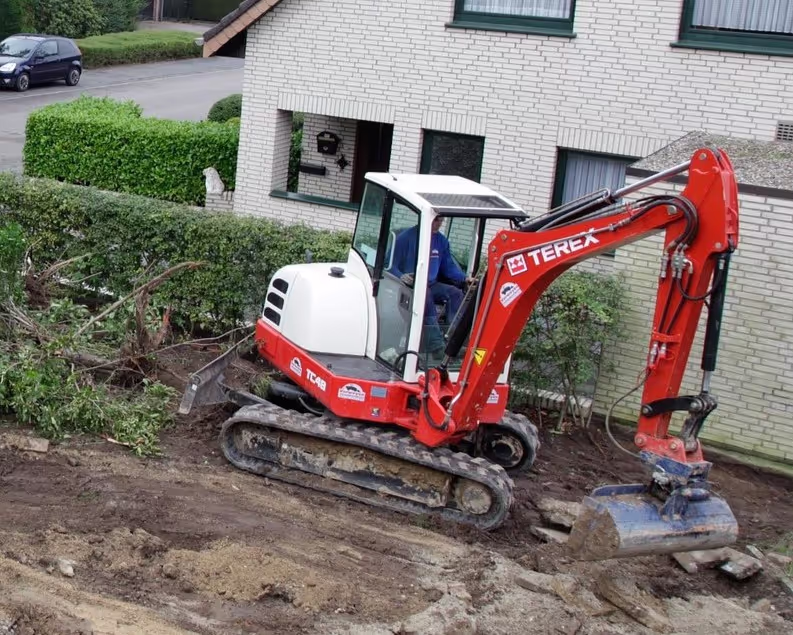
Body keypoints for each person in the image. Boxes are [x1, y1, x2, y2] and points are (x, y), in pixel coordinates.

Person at [390, 216, 473, 355]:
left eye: (441, 221)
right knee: (425, 293)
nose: (439, 224)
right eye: (436, 220)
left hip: (431, 284)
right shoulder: (405, 238)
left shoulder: (441, 241)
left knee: (455, 293)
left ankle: (454, 340)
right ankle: (435, 345)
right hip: (409, 286)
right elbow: (390, 265)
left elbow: (448, 267)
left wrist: (465, 278)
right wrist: (401, 276)